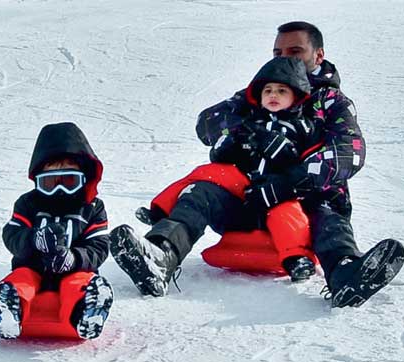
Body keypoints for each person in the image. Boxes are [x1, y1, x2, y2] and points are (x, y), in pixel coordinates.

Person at [110, 20, 404, 307]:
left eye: (295, 51)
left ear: (318, 55)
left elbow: (348, 152)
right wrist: (249, 133)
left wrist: (289, 182)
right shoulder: (264, 92)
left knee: (328, 208)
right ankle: (161, 255)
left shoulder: (331, 102)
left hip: (304, 210)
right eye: (278, 53)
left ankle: (345, 272)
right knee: (201, 191)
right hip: (251, 202)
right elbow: (207, 123)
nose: (285, 58)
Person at [138, 57, 321, 282]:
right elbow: (220, 158)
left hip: (276, 200)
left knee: (287, 211)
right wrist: (229, 146)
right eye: (268, 91)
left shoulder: (305, 128)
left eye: (282, 91)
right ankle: (162, 251)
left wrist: (285, 158)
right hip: (242, 203)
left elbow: (311, 171)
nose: (273, 95)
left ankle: (298, 259)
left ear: (296, 96)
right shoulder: (248, 124)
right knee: (202, 185)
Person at [0, 122, 113, 340]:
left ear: (84, 178)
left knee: (78, 282)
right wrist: (34, 240)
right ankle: (9, 309)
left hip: (74, 271)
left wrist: (74, 258)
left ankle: (86, 312)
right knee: (22, 278)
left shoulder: (91, 207)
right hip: (33, 269)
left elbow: (99, 247)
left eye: (69, 181)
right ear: (38, 181)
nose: (60, 190)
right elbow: (12, 235)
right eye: (51, 183)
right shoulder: (28, 204)